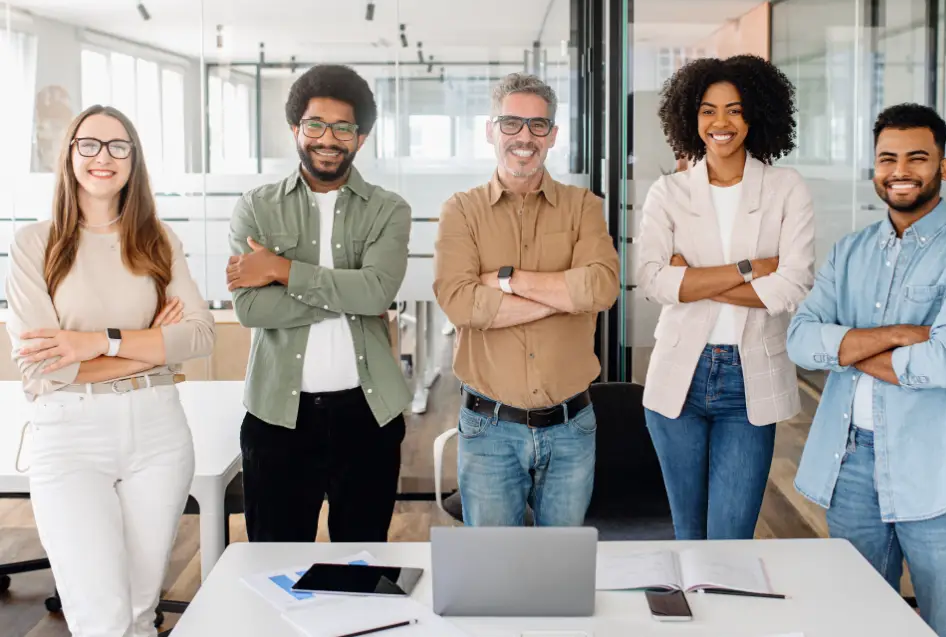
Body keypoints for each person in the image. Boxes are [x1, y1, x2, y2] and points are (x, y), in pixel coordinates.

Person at [788, 103, 946, 637]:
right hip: (850, 463)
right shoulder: (849, 251)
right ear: (875, 168)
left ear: (942, 167)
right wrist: (898, 335)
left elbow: (945, 360)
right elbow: (800, 341)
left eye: (917, 157)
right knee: (859, 621)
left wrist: (846, 347)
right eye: (888, 158)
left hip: (935, 466)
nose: (900, 170)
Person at [6, 105, 215, 637]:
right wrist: (153, 350)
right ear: (69, 155)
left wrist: (95, 342)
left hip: (158, 433)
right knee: (101, 617)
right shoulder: (34, 244)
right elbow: (43, 369)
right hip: (70, 437)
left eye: (118, 146)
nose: (104, 157)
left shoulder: (157, 240)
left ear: (134, 159)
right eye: (90, 144)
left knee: (140, 612)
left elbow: (199, 335)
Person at [227, 64, 411, 543]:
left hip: (368, 416)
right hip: (277, 419)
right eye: (315, 125)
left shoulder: (388, 209)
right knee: (276, 566)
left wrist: (281, 271)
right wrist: (351, 295)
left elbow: (377, 293)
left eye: (343, 128)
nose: (328, 139)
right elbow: (251, 310)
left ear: (360, 138)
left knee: (362, 562)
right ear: (296, 129)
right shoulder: (256, 207)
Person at [636, 55, 815, 540]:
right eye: (708, 110)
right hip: (679, 375)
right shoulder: (668, 192)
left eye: (735, 110)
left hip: (749, 378)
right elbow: (654, 282)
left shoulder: (786, 188)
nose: (722, 122)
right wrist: (749, 270)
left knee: (730, 541)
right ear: (690, 118)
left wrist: (694, 280)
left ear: (756, 115)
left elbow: (792, 285)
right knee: (687, 534)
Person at [433, 72, 619, 527]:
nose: (524, 137)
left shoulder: (583, 207)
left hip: (571, 427)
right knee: (494, 564)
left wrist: (506, 282)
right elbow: (460, 302)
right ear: (490, 130)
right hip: (489, 428)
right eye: (511, 123)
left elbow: (601, 288)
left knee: (560, 563)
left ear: (553, 135)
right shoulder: (461, 210)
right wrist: (564, 297)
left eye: (538, 125)